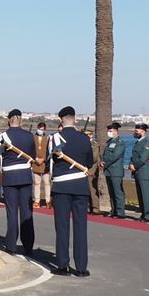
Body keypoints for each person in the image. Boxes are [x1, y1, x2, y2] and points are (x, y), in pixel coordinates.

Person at [49, 106, 92, 276]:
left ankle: (62, 265)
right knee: (81, 228)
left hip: (62, 187)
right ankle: (81, 268)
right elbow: (89, 161)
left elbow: (49, 162)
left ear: (61, 120)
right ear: (74, 119)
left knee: (62, 226)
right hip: (81, 186)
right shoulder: (84, 139)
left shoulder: (55, 138)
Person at [0, 109, 36, 255]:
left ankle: (11, 244)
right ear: (20, 120)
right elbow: (33, 155)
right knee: (26, 211)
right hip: (25, 175)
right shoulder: (28, 136)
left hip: (10, 176)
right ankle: (28, 244)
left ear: (9, 120)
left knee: (11, 211)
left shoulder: (3, 136)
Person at [127, 124, 149, 223]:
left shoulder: (146, 143)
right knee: (140, 195)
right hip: (138, 173)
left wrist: (134, 166)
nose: (135, 132)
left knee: (146, 195)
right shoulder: (137, 143)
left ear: (143, 131)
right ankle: (143, 213)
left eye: (137, 131)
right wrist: (131, 164)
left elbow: (143, 158)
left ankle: (148, 215)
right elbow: (133, 157)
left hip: (144, 173)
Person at [99, 122, 128, 218]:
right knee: (111, 192)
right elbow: (105, 155)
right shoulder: (109, 142)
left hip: (116, 171)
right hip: (108, 170)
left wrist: (105, 163)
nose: (109, 133)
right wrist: (102, 161)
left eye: (111, 131)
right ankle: (114, 210)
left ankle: (120, 212)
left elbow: (115, 156)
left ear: (116, 131)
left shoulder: (119, 143)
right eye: (109, 131)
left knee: (117, 192)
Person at [31, 120, 52, 210]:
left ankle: (48, 201)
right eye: (40, 129)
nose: (41, 130)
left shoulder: (48, 138)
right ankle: (37, 200)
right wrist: (35, 159)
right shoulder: (32, 137)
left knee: (47, 183)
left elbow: (49, 150)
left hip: (45, 163)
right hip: (35, 162)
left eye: (43, 129)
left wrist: (43, 159)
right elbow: (31, 149)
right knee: (36, 183)